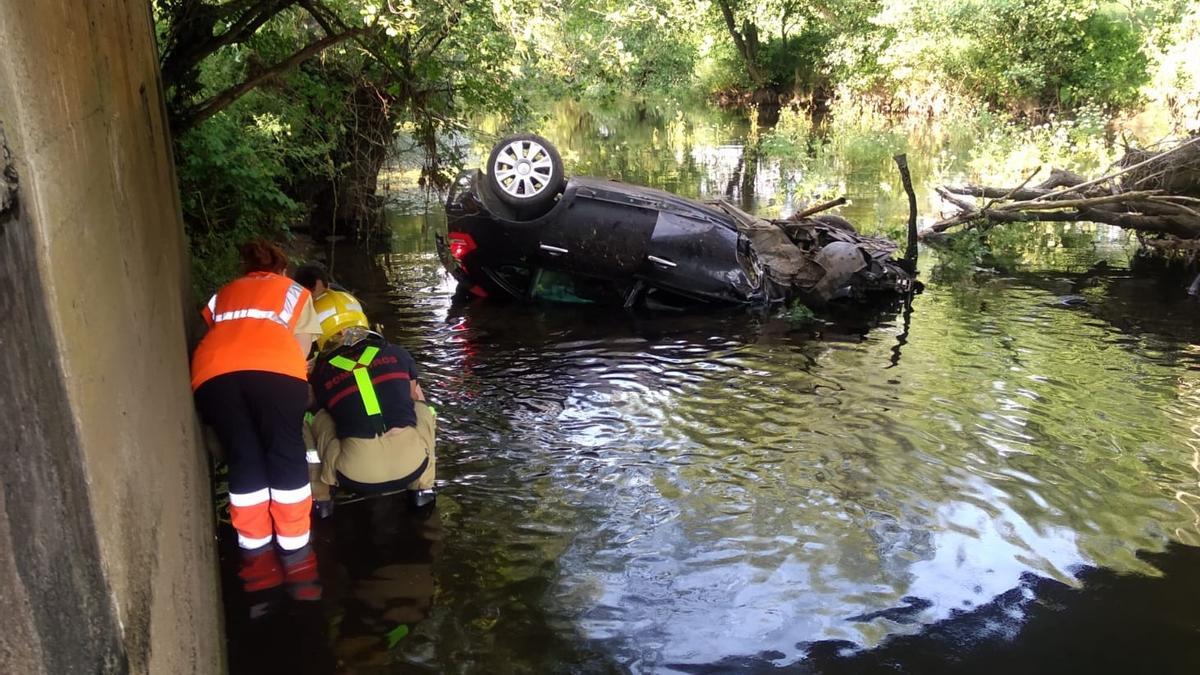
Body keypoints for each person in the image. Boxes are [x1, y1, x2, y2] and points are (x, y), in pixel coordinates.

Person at [192, 238, 322, 595]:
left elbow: (211, 333)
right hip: (275, 371)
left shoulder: (224, 293)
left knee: (243, 456)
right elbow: (302, 347)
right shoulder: (295, 292)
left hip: (213, 375)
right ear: (281, 269)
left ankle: (257, 559)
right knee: (284, 451)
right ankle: (296, 555)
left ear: (245, 269)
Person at [306, 290, 437, 514]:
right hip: (412, 464)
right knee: (421, 407)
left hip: (354, 472)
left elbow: (316, 403)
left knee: (313, 418)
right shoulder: (398, 353)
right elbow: (413, 395)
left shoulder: (320, 370)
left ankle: (321, 498)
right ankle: (423, 489)